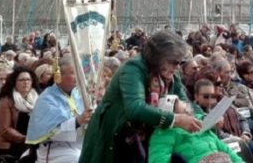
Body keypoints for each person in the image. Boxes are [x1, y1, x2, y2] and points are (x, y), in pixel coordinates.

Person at [80, 32, 200, 163]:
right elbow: (134, 108)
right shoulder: (134, 67)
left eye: (180, 62)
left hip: (145, 136)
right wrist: (174, 119)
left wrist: (202, 118)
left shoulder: (168, 71)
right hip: (117, 134)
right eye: (174, 61)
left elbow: (185, 102)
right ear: (158, 56)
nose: (178, 66)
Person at [26, 56, 93, 162]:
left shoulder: (80, 94)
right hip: (55, 149)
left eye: (78, 71)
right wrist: (77, 121)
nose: (77, 76)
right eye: (72, 72)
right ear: (59, 76)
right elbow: (49, 132)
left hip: (79, 145)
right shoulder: (47, 98)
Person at [148, 96, 243, 163]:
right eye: (184, 113)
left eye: (188, 110)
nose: (189, 114)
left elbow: (227, 151)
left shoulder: (201, 124)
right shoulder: (163, 134)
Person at [0, 66, 39, 159]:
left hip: (32, 139)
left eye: (28, 79)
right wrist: (24, 138)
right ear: (15, 82)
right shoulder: (7, 100)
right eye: (21, 80)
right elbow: (5, 129)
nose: (25, 82)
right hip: (10, 143)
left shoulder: (37, 98)